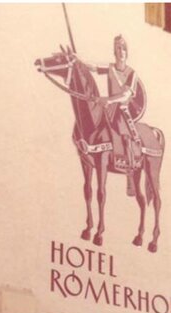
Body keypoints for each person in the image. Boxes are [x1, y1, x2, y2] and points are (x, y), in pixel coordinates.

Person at [84, 35, 144, 196]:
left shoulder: (132, 73)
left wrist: (108, 100)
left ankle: (130, 173)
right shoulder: (110, 68)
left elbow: (126, 96)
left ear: (127, 52)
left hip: (123, 111)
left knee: (126, 136)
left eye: (123, 48)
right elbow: (95, 67)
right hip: (108, 110)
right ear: (114, 51)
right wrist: (78, 61)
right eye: (118, 48)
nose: (121, 51)